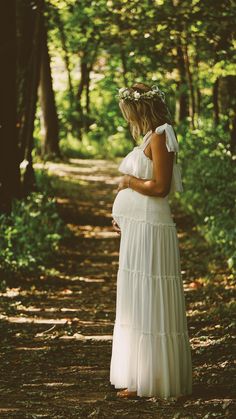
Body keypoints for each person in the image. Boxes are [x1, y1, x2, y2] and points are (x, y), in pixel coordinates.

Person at [109, 82, 192, 400]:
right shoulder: (149, 136)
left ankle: (156, 379)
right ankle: (139, 375)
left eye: (129, 113)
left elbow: (160, 186)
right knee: (136, 298)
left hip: (152, 227)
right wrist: (123, 214)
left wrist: (128, 182)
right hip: (138, 227)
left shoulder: (161, 135)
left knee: (150, 294)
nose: (128, 119)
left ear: (140, 109)